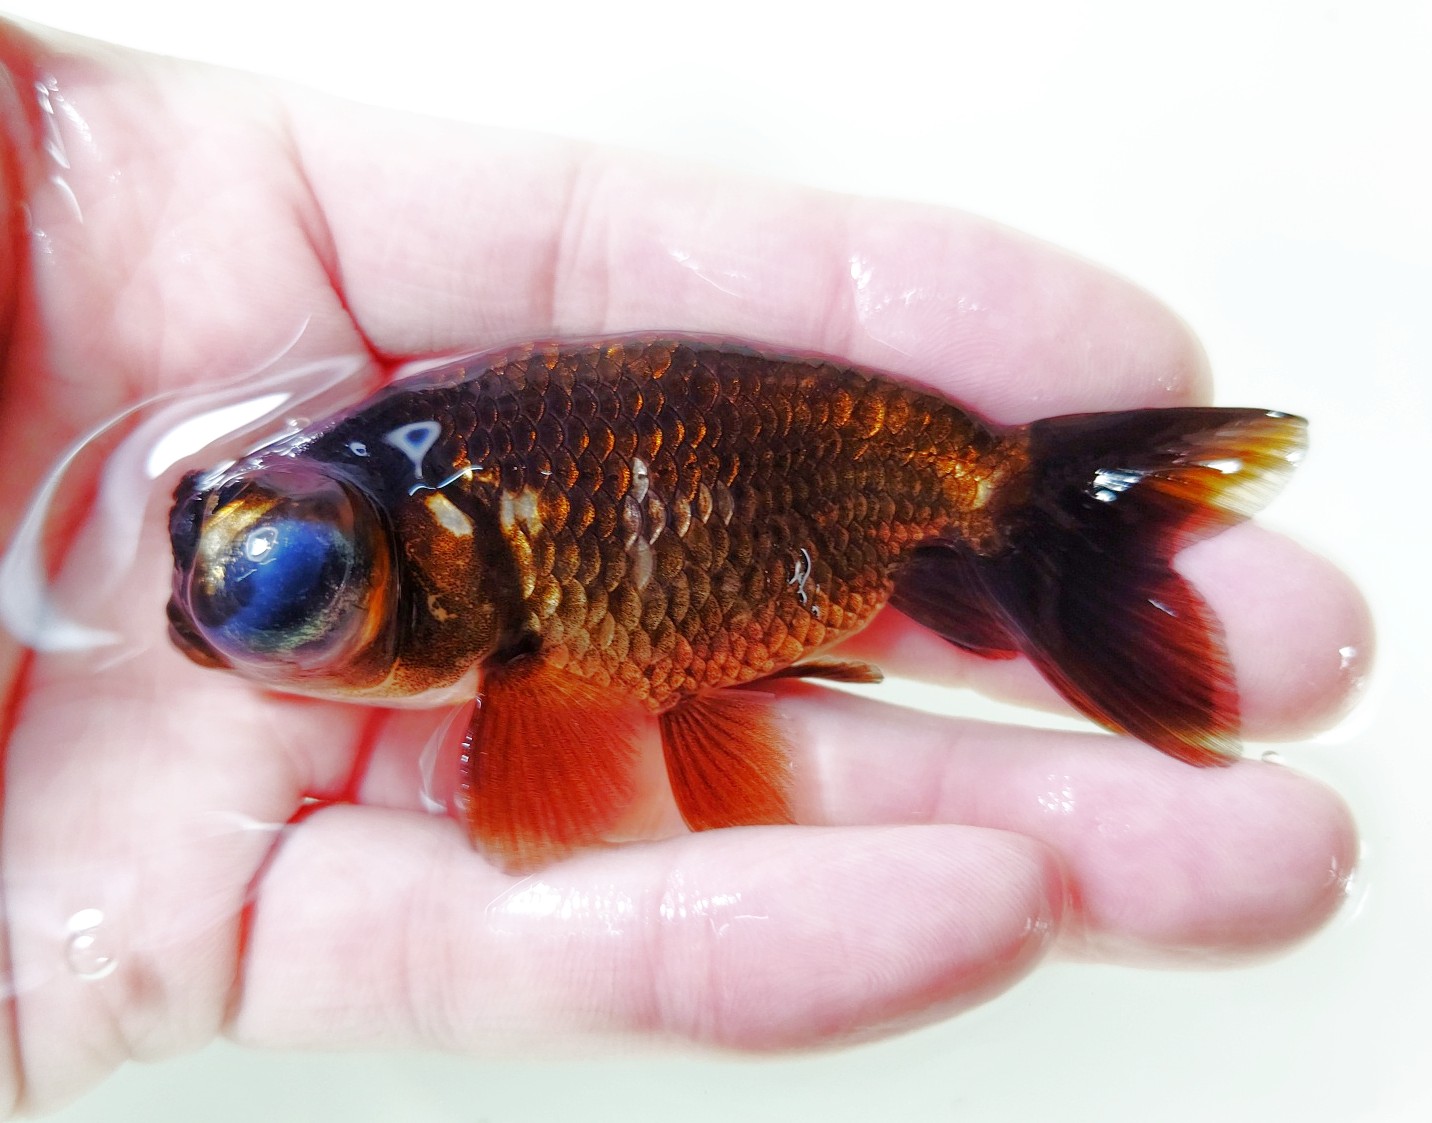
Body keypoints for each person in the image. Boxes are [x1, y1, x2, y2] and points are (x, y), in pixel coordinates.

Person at [0, 21, 1369, 1117]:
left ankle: (1059, 533)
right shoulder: (459, 544)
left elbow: (543, 799)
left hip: (839, 488)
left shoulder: (492, 583)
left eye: (312, 603)